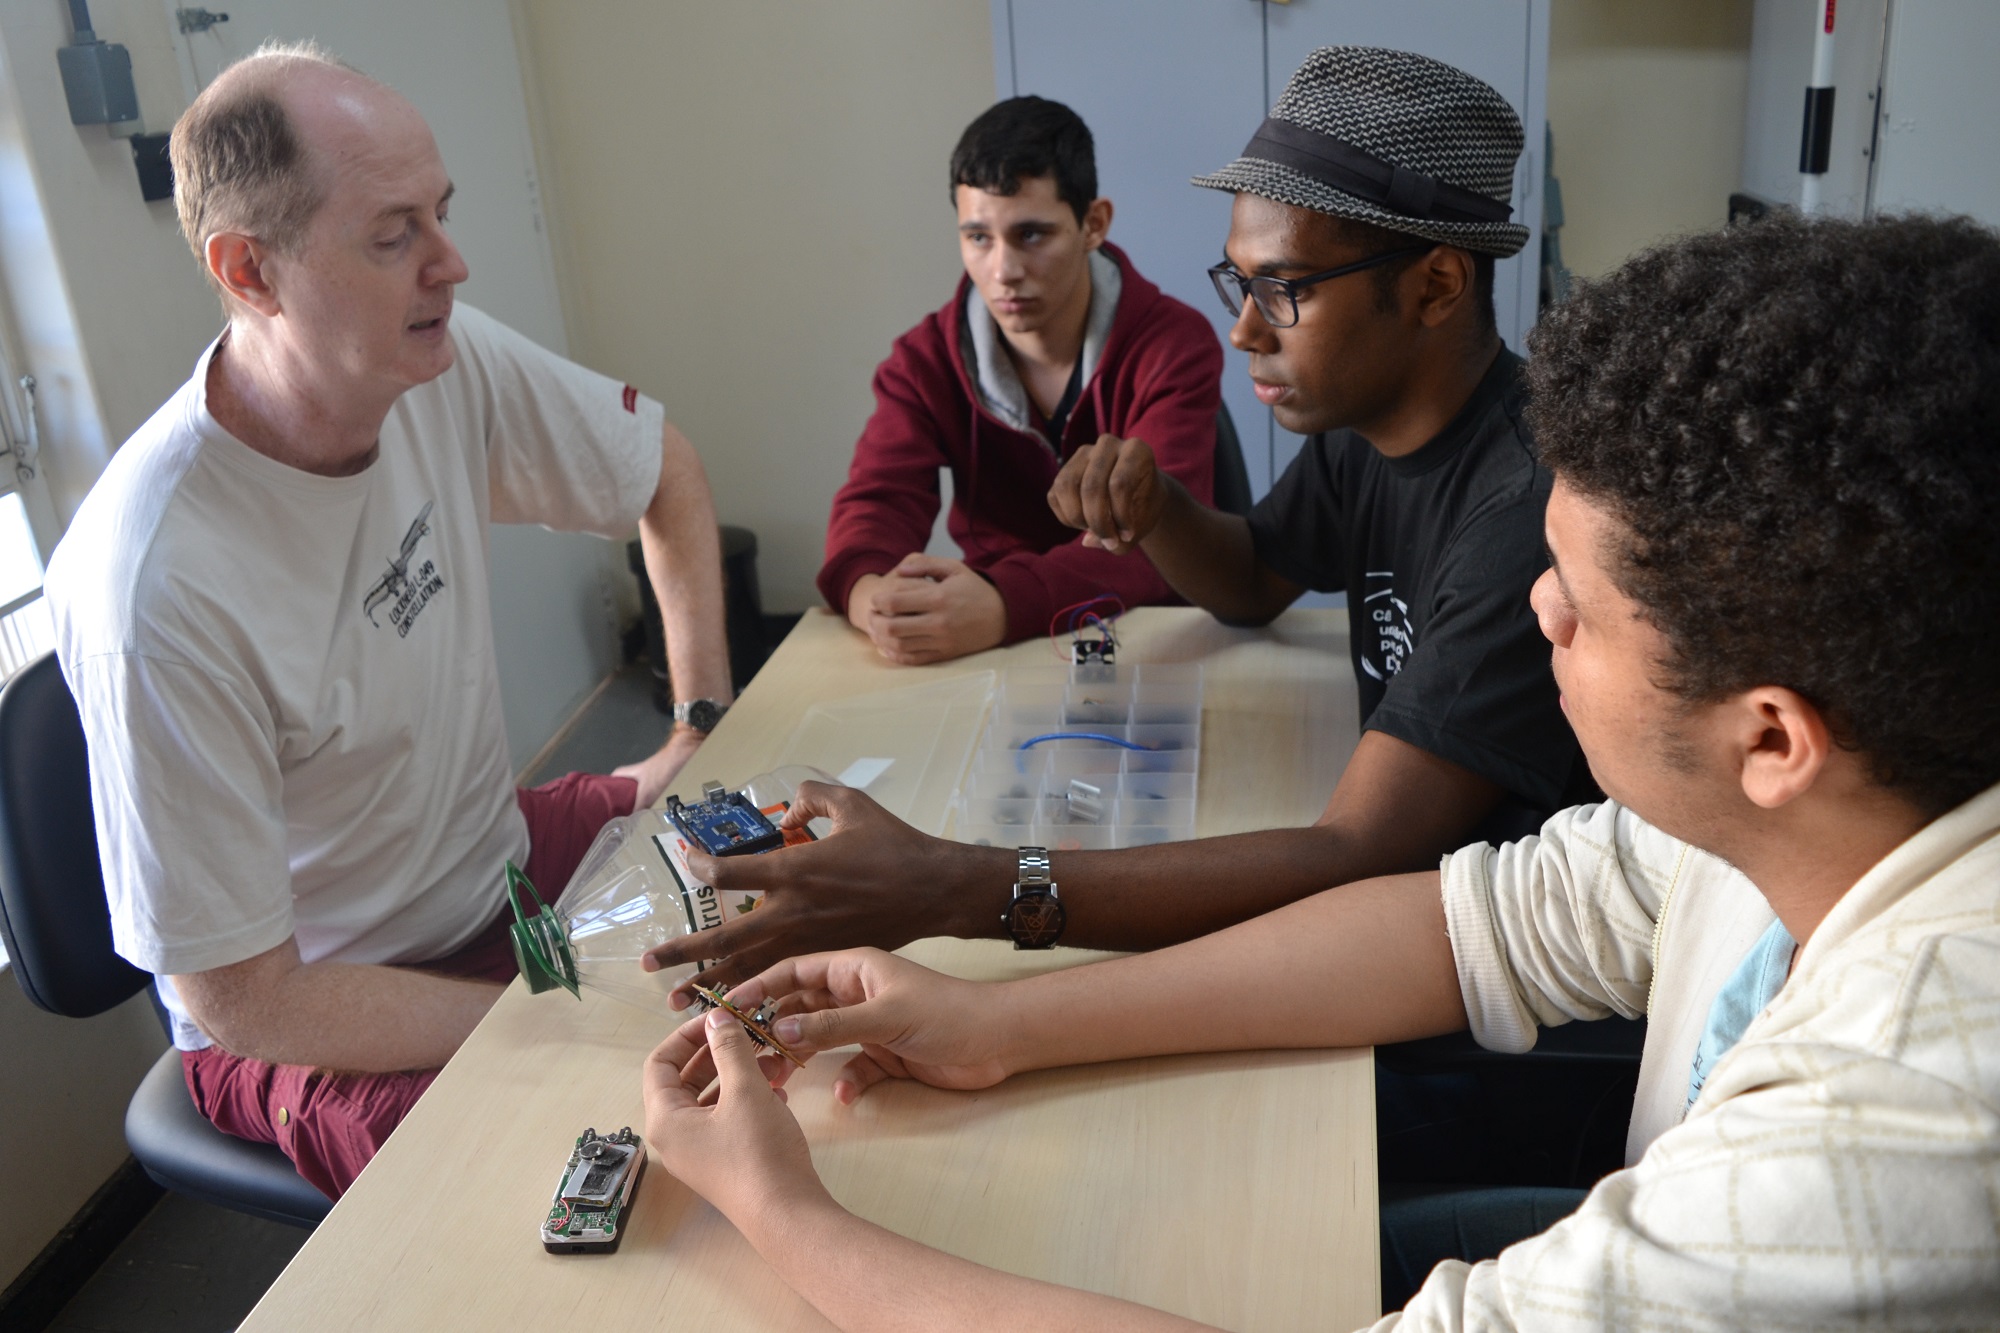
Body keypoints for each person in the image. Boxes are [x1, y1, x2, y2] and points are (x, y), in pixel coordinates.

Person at [640, 211, 2000, 1329]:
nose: (1540, 614)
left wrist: (785, 1214)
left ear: (1771, 737)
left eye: (1581, 601)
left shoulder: (1899, 1119)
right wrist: (992, 1023)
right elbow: (1468, 922)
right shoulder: (1804, 804)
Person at [648, 48, 1589, 988]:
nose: (1244, 330)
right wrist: (1160, 508)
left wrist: (953, 887)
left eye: (1284, 290)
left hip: (1496, 989)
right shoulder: (1369, 429)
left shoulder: (1527, 519)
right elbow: (1258, 577)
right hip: (1396, 915)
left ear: (1435, 286)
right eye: (1240, 283)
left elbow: (1353, 853)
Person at [41, 42, 734, 1200]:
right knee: (623, 1171)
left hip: (489, 861)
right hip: (317, 1014)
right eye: (392, 234)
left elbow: (660, 469)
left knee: (767, 893)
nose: (451, 264)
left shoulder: (427, 365)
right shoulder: (157, 585)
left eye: (441, 214)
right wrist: (546, 1019)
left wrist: (699, 722)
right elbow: (244, 998)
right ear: (250, 273)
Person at [818, 95, 1223, 667]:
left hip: (1149, 636)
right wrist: (871, 598)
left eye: (1032, 235)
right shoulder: (922, 361)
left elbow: (1155, 541)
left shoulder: (1173, 343)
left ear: (1093, 225)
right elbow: (877, 505)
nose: (1003, 270)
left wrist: (1004, 603)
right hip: (987, 643)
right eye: (978, 237)